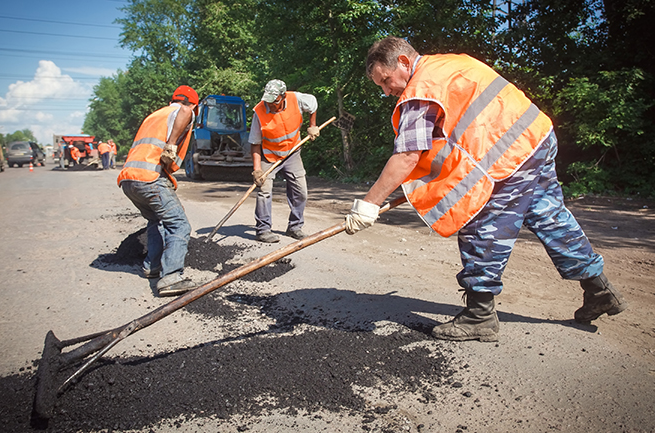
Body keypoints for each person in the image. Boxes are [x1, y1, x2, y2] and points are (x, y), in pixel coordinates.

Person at [345, 36, 628, 342]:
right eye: (382, 87)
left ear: (402, 62)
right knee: (549, 216)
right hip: (535, 137)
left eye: (386, 81)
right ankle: (599, 289)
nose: (388, 91)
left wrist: (369, 204)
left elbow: (407, 156)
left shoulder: (421, 89)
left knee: (480, 223)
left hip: (505, 157)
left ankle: (479, 316)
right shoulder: (452, 63)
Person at [117, 86, 199, 297]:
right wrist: (171, 145)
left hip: (129, 179)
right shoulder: (183, 110)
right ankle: (171, 277)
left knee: (156, 220)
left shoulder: (154, 115)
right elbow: (185, 112)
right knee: (179, 224)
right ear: (193, 103)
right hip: (149, 178)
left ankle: (152, 266)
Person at [249, 79, 320, 243]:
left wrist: (313, 125)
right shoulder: (259, 112)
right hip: (269, 155)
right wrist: (257, 169)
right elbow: (255, 144)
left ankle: (295, 227)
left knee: (301, 192)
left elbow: (313, 104)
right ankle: (263, 230)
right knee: (264, 190)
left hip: (292, 152)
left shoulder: (296, 98)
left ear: (283, 96)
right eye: (268, 100)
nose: (270, 104)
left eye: (274, 101)